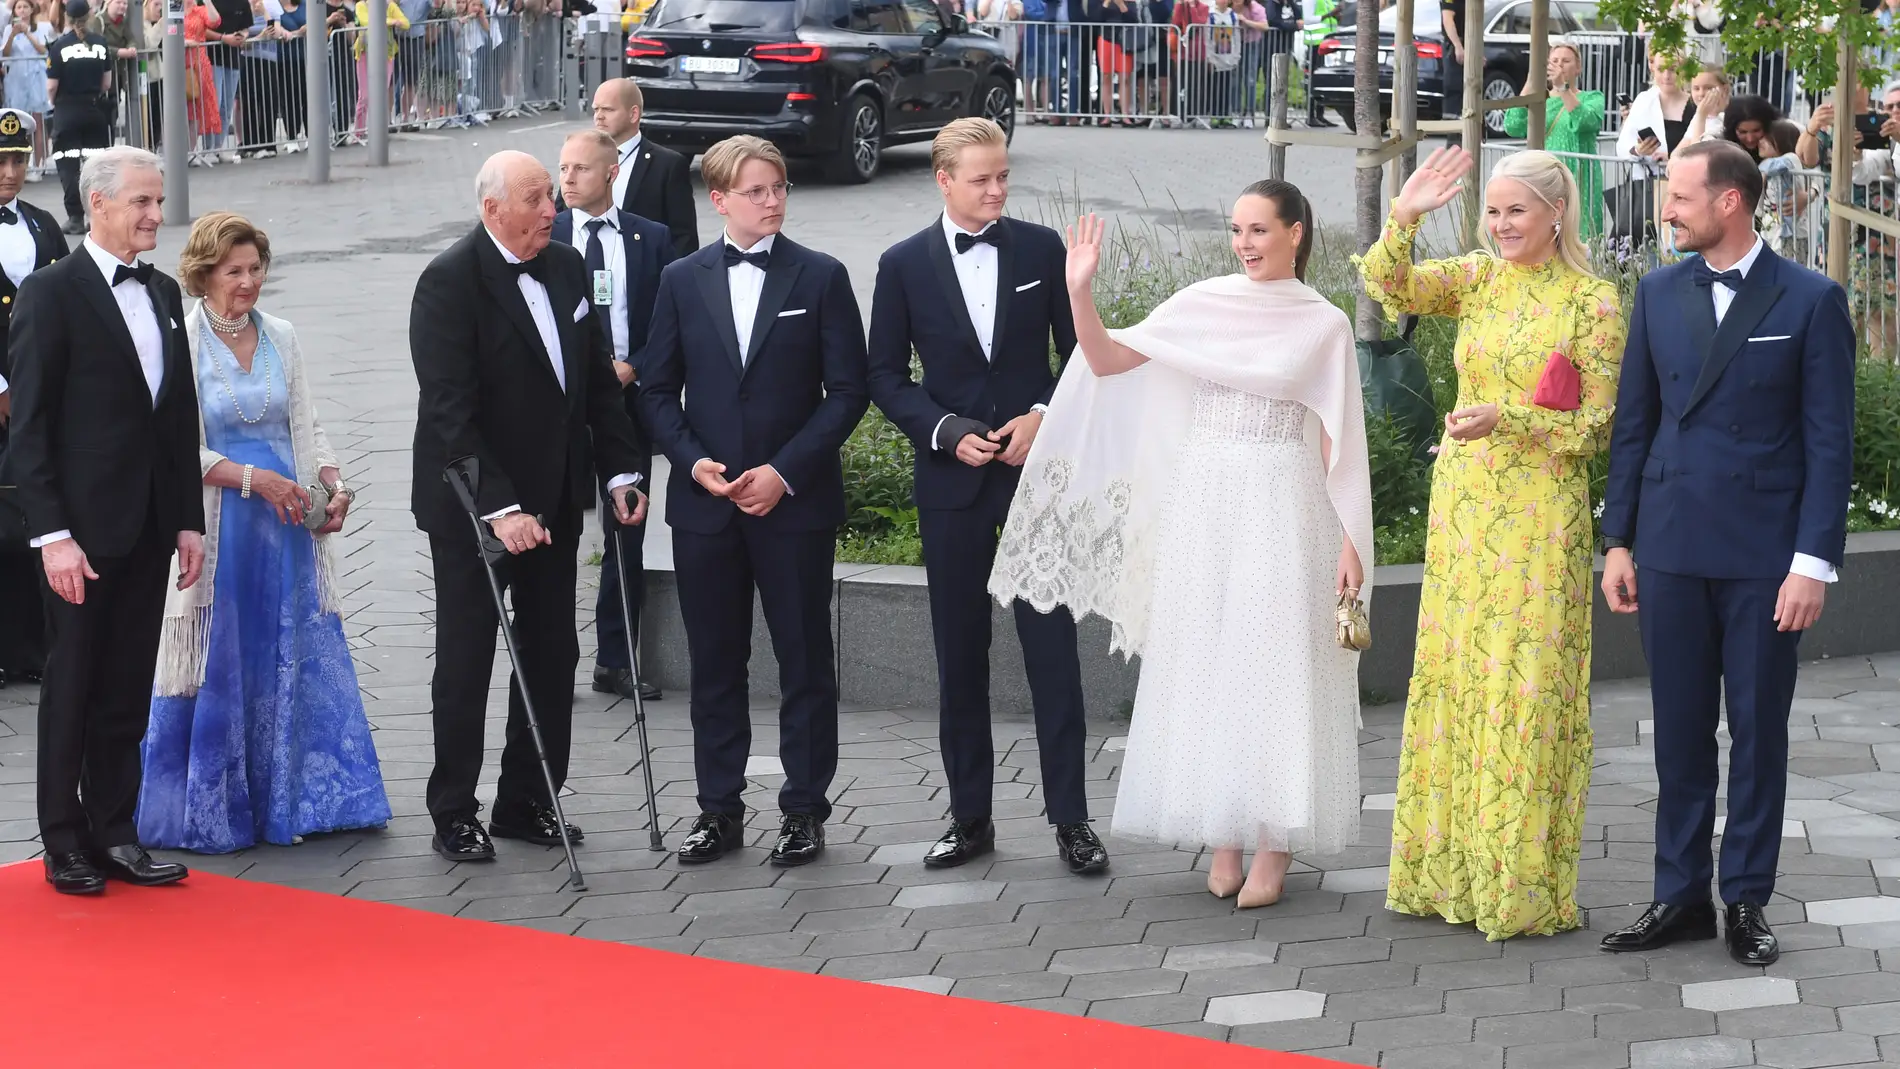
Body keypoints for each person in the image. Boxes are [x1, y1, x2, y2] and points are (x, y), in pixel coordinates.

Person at [989, 181, 1370, 906]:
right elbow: (1104, 362)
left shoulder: (1325, 325)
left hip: (1285, 505)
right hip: (1207, 503)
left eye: (1259, 229)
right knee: (1210, 660)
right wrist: (1080, 292)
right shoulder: (1205, 302)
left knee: (1277, 663)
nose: (1246, 244)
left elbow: (1337, 439)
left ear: (1296, 233)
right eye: (1236, 229)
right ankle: (1224, 833)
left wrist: (1351, 537)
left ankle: (1275, 842)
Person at [1358, 146, 1627, 941]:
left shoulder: (1594, 302)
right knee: (1458, 681)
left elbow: (1596, 426)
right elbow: (1388, 285)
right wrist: (1403, 218)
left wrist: (1509, 418)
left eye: (1516, 211)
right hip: (1467, 510)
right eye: (1493, 212)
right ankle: (1445, 875)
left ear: (1554, 214)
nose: (1502, 225)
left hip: (1543, 518)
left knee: (1527, 691)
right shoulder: (1476, 278)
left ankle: (1521, 885)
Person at [1597, 141, 1854, 967]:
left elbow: (1830, 445)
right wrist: (1618, 541)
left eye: (1678, 197)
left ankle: (1745, 896)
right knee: (1676, 730)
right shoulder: (1657, 292)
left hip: (1763, 555)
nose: (1666, 210)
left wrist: (1812, 563)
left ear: (1731, 202)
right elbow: (1633, 426)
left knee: (1756, 729)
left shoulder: (1811, 299)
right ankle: (1679, 895)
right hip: (1670, 545)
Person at [867, 119, 1107, 876]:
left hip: (1037, 480)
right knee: (959, 656)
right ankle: (970, 817)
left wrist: (1043, 414)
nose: (999, 189)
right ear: (944, 179)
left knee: (1053, 654)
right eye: (982, 178)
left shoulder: (1040, 250)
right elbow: (883, 376)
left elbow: (1081, 357)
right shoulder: (901, 264)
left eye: (1003, 175)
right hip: (951, 484)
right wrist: (941, 431)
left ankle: (1072, 819)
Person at [408, 150, 649, 862]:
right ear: (494, 210)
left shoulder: (568, 267)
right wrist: (501, 507)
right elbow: (450, 412)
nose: (554, 209)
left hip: (555, 496)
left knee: (552, 650)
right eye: (539, 198)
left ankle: (527, 799)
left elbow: (598, 384)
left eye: (553, 196)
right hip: (473, 507)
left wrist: (620, 470)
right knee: (467, 654)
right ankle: (453, 807)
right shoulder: (448, 283)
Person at [639, 135, 869, 868]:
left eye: (780, 189)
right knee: (715, 661)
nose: (773, 201)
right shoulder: (681, 279)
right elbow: (653, 388)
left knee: (804, 658)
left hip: (793, 506)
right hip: (706, 508)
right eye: (757, 191)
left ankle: (805, 808)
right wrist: (692, 460)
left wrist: (785, 471)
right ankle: (718, 808)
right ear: (720, 200)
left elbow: (849, 392)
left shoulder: (822, 276)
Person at [137, 212, 391, 853]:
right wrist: (256, 480)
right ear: (202, 276)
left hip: (286, 532)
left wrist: (332, 481)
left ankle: (296, 800)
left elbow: (305, 423)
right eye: (234, 271)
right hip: (220, 530)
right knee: (223, 661)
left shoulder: (281, 334)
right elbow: (172, 449)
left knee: (290, 655)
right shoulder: (182, 343)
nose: (248, 282)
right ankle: (214, 810)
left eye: (255, 269)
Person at [6, 146, 204, 894]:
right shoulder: (51, 295)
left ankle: (115, 829)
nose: (157, 215)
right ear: (99, 206)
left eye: (158, 202)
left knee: (125, 685)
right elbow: (29, 429)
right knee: (74, 683)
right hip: (79, 535)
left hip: (149, 525)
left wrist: (187, 518)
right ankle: (63, 840)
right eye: (143, 203)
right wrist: (51, 534)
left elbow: (175, 416)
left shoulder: (159, 293)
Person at [550, 128, 673, 704]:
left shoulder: (651, 239)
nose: (567, 179)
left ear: (611, 174)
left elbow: (668, 326)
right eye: (563, 168)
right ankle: (552, 655)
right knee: (556, 529)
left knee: (627, 529)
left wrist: (635, 367)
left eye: (580, 169)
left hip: (627, 403)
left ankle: (616, 659)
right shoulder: (543, 236)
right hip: (561, 409)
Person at [0, 110, 69, 688]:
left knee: (37, 517)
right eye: (0, 161)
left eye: (18, 159)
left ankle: (38, 648)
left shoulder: (45, 225)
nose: (10, 171)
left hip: (46, 396)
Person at [582, 79, 698, 258]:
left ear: (633, 114)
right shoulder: (580, 156)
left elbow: (684, 238)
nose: (599, 116)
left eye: (608, 109)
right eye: (596, 109)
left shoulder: (667, 165)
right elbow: (560, 217)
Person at [1503, 42, 1604, 238]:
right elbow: (1513, 125)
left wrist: (1563, 88)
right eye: (1554, 61)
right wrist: (1531, 80)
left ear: (1578, 67)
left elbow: (1586, 121)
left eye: (1566, 61)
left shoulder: (1592, 97)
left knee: (1582, 235)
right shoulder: (1542, 100)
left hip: (1581, 178)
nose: (1559, 65)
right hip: (1546, 178)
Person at [46, 0, 112, 236]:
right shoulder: (101, 44)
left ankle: (75, 217)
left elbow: (52, 87)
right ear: (89, 15)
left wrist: (56, 104)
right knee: (96, 168)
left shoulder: (59, 46)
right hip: (94, 111)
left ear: (67, 17)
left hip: (67, 111)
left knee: (68, 165)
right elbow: (107, 83)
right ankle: (98, 217)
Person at [2, 0, 52, 179]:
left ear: (32, 10)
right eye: (18, 7)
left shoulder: (42, 27)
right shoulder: (9, 30)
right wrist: (13, 35)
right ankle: (24, 164)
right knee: (21, 123)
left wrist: (27, 33)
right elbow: (5, 53)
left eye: (25, 7)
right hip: (16, 78)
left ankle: (38, 166)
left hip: (36, 77)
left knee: (38, 123)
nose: (22, 10)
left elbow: (43, 50)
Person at [351, 0, 408, 138]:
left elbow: (406, 23)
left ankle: (378, 130)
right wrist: (391, 21)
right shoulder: (361, 5)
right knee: (364, 96)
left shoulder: (390, 5)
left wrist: (391, 20)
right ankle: (359, 131)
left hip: (386, 54)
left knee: (381, 94)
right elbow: (366, 21)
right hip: (365, 53)